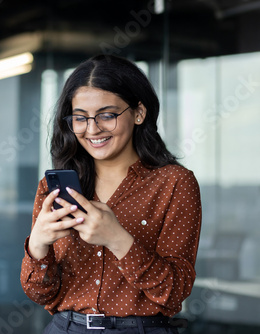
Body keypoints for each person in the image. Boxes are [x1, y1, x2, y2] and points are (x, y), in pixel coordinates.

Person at [20, 54, 202, 334]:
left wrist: (118, 239)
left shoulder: (174, 183)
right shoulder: (53, 188)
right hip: (65, 327)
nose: (92, 129)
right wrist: (38, 246)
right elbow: (39, 293)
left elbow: (174, 292)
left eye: (107, 115)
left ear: (139, 113)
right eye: (80, 118)